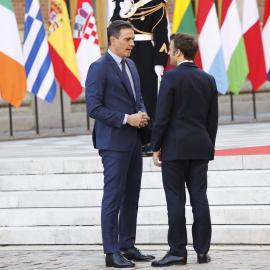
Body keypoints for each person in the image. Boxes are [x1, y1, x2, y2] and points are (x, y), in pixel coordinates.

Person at [85, 20, 155, 268]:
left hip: (134, 141)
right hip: (113, 143)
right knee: (113, 197)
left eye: (133, 39)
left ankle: (127, 245)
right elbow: (93, 108)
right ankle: (111, 252)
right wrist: (127, 119)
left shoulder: (132, 65)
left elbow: (138, 98)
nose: (132, 44)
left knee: (132, 196)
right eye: (128, 39)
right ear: (112, 40)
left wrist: (142, 113)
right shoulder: (98, 68)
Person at [150, 32, 218, 267]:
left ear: (178, 52)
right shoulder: (208, 79)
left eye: (170, 49)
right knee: (200, 198)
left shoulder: (169, 79)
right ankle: (202, 251)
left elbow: (162, 117)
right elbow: (212, 120)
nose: (168, 53)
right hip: (200, 147)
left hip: (175, 150)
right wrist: (208, 146)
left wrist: (155, 146)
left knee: (175, 201)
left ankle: (178, 251)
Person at [110, 0, 169, 155]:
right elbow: (112, 30)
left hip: (146, 55)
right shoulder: (123, 3)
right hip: (125, 54)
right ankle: (133, 138)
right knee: (127, 96)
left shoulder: (156, 3)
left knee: (148, 97)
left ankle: (150, 139)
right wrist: (122, 13)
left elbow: (161, 33)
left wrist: (159, 61)